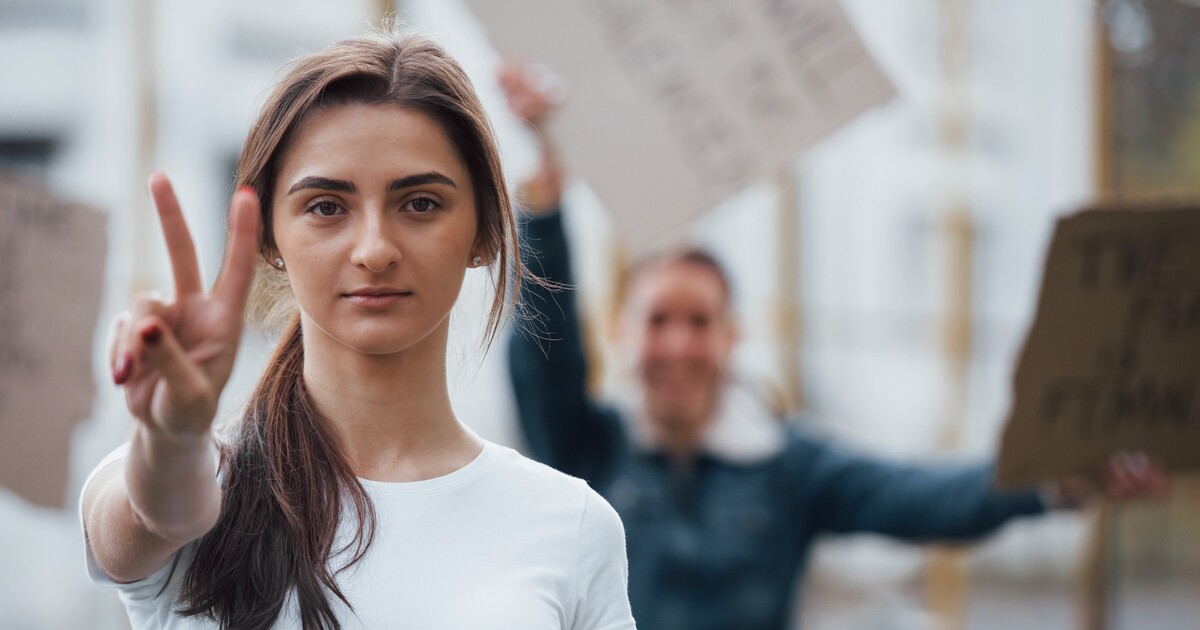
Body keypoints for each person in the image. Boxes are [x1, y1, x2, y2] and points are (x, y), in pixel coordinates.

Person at [499, 63, 1167, 630]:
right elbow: (543, 358)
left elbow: (927, 498)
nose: (677, 343)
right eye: (658, 320)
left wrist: (1059, 476)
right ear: (622, 333)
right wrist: (546, 195)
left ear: (732, 340)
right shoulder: (584, 449)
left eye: (699, 322)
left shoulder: (789, 467)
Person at [80, 33, 636, 630]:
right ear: (269, 237)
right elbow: (156, 514)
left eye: (420, 204)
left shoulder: (571, 525)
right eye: (326, 206)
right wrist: (171, 439)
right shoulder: (193, 478)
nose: (374, 250)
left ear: (484, 234)